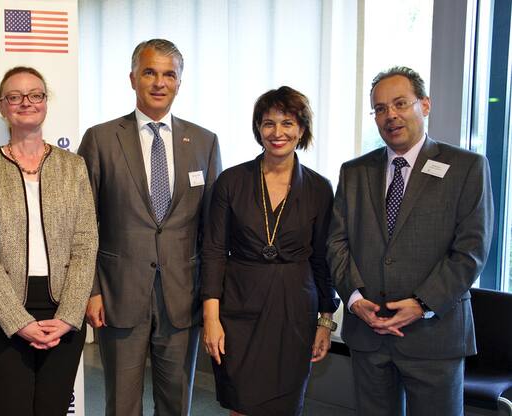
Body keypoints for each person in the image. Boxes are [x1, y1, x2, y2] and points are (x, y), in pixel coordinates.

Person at [327, 66, 494, 415]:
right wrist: (354, 299)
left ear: (425, 105)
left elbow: (471, 251)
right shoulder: (354, 171)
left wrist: (422, 303)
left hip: (434, 335)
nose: (391, 115)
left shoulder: (467, 167)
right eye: (380, 108)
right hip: (369, 332)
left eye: (400, 103)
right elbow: (336, 242)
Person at [77, 38, 222, 415]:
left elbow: (212, 230)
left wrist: (210, 298)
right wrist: (91, 290)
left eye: (169, 75)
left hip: (182, 296)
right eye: (149, 73)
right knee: (122, 404)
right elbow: (82, 224)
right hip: (118, 295)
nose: (160, 82)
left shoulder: (204, 142)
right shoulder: (101, 138)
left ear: (179, 82)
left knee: (176, 403)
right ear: (132, 79)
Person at [0, 66, 98, 416]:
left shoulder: (74, 167)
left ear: (46, 102)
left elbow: (85, 244)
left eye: (35, 95)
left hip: (61, 315)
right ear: (2, 106)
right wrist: (16, 321)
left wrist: (69, 315)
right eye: (15, 96)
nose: (26, 102)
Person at [200, 86, 339, 415]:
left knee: (285, 406)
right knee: (241, 403)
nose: (278, 133)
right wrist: (211, 319)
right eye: (269, 123)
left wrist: (325, 322)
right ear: (258, 129)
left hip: (295, 311)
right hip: (239, 308)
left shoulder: (319, 188)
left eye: (288, 123)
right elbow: (214, 252)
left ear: (301, 130)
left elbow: (323, 260)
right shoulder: (231, 182)